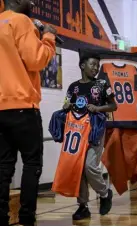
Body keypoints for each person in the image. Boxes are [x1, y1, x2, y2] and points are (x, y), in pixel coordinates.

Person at [0, 0, 57, 225]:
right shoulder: (20, 21)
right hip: (23, 107)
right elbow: (36, 60)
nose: (32, 2)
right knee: (32, 163)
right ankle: (26, 219)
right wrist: (49, 37)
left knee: (4, 166)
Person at [63, 53, 117, 221]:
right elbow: (66, 104)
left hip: (96, 130)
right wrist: (67, 106)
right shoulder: (73, 87)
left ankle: (104, 193)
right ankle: (83, 206)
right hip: (77, 131)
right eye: (93, 64)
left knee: (89, 166)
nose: (95, 68)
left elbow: (114, 106)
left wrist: (98, 108)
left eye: (98, 66)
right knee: (78, 169)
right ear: (82, 66)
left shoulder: (102, 84)